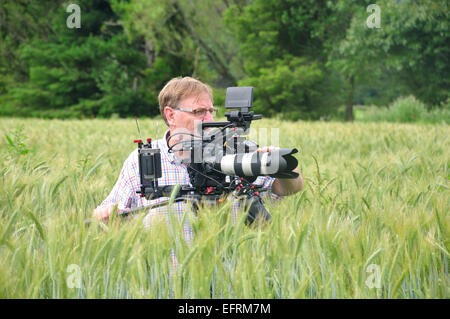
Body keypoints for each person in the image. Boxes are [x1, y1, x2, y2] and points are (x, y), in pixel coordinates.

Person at [93, 77, 304, 240]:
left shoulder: (231, 151)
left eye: (211, 110)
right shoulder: (141, 160)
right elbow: (106, 215)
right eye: (199, 111)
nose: (210, 119)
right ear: (171, 115)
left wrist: (280, 165)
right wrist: (104, 215)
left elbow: (290, 188)